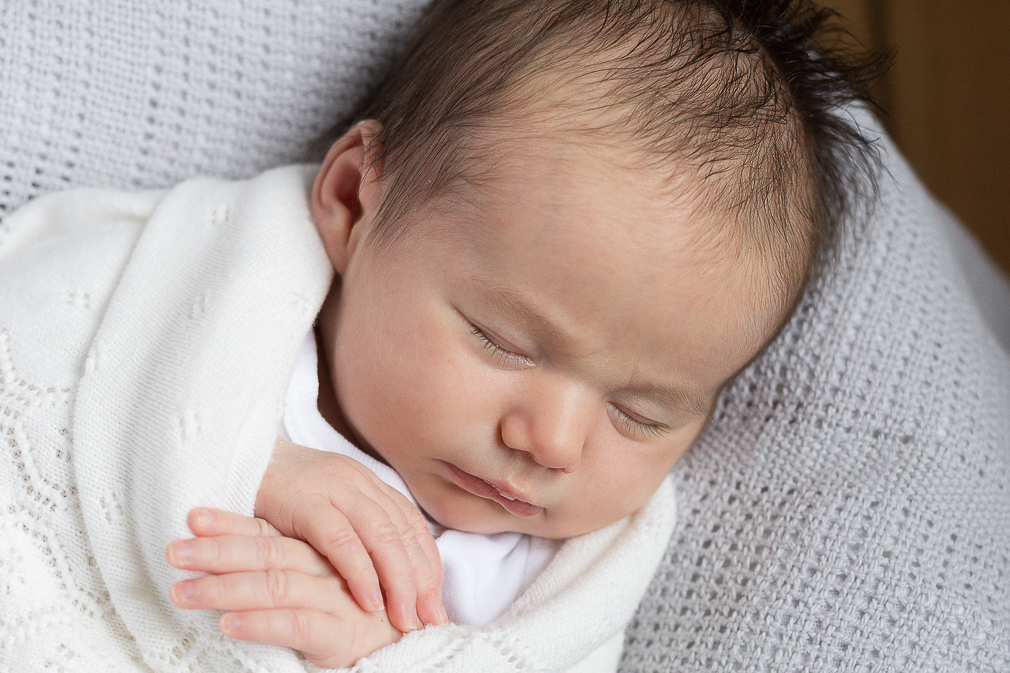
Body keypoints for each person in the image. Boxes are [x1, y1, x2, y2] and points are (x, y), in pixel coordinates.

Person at [0, 0, 879, 670]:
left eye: (643, 413)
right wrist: (240, 457)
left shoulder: (551, 584)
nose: (552, 441)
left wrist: (380, 649)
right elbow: (35, 337)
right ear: (352, 199)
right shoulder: (210, 292)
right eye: (502, 339)